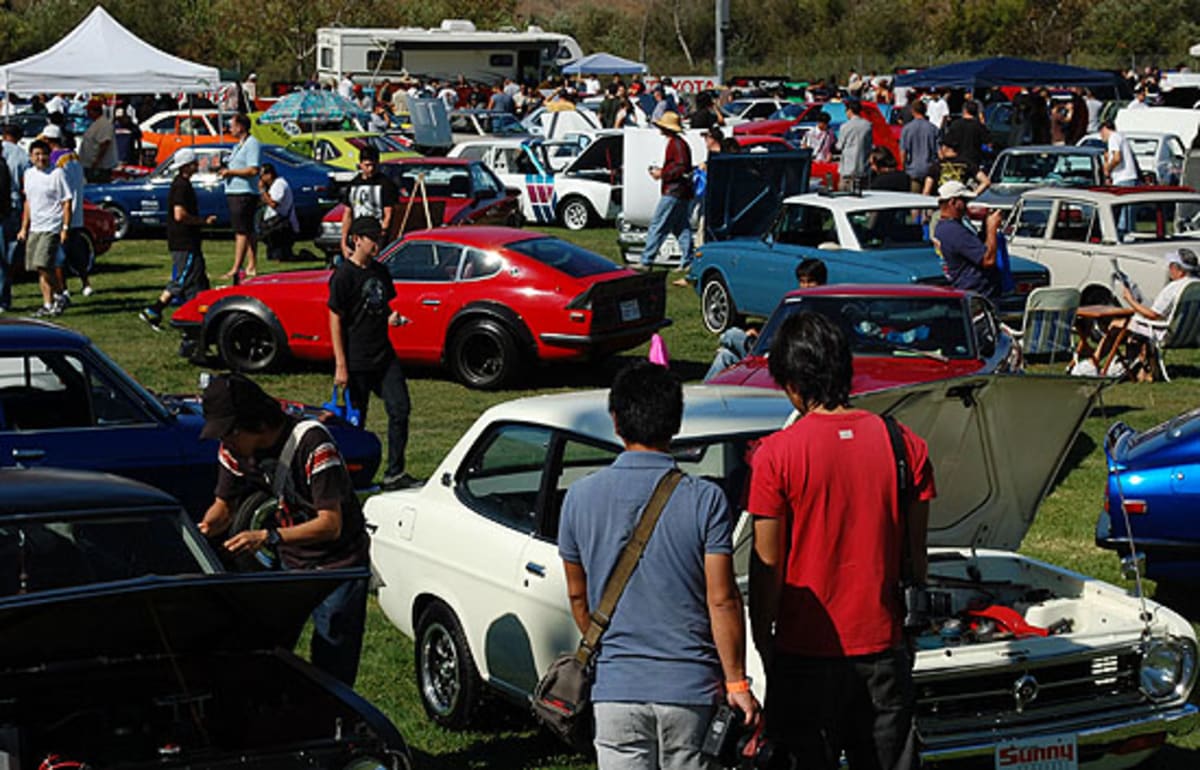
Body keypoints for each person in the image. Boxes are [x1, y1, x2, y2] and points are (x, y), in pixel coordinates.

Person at [747, 310, 934, 770]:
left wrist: (763, 639)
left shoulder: (775, 455)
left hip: (804, 651)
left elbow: (767, 566)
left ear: (792, 382)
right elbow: (916, 556)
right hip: (883, 647)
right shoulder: (905, 445)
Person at [559, 361, 759, 769]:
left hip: (616, 690)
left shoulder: (578, 498)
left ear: (616, 421)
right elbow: (721, 600)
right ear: (676, 423)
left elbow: (578, 596)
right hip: (691, 690)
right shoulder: (706, 499)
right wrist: (736, 681)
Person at [197, 373, 371, 686]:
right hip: (290, 561)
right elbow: (223, 508)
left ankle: (337, 725)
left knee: (333, 661)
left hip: (337, 565)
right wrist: (203, 529)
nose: (226, 442)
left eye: (230, 433)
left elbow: (330, 525)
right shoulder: (234, 450)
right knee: (270, 651)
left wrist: (268, 536)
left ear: (258, 424)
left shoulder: (313, 444)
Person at [328, 216, 419, 491]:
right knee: (356, 423)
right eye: (373, 238)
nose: (378, 243)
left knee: (400, 408)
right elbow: (335, 318)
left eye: (380, 238)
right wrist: (340, 364)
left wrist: (393, 317)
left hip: (383, 356)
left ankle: (395, 473)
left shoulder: (380, 271)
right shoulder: (343, 276)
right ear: (357, 239)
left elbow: (381, 306)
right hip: (356, 360)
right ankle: (348, 478)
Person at [139, 148, 217, 328]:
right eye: (194, 164)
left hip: (190, 241)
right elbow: (179, 215)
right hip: (184, 241)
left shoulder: (183, 184)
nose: (197, 166)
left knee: (198, 279)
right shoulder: (181, 186)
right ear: (186, 166)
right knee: (182, 279)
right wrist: (202, 221)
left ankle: (200, 314)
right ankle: (154, 310)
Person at [1122, 248, 1200, 381]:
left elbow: (1153, 315)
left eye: (1171, 266)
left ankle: (1100, 365)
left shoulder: (1174, 287)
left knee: (1118, 325)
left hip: (1166, 334)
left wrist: (1130, 300)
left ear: (1179, 270)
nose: (1169, 269)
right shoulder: (1196, 286)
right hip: (1189, 335)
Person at [16, 139, 71, 318]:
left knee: (44, 263)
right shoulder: (29, 174)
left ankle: (60, 295)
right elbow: (28, 203)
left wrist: (64, 227)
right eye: (36, 154)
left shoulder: (57, 174)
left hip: (51, 225)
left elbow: (66, 202)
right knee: (39, 268)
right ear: (31, 157)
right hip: (35, 227)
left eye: (43, 154)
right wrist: (24, 228)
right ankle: (48, 303)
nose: (40, 158)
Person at [42, 125, 92, 301]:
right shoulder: (73, 157)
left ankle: (63, 289)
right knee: (77, 253)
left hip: (62, 213)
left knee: (58, 256)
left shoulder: (55, 160)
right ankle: (86, 283)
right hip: (77, 212)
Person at [640, 112, 694, 272]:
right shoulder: (679, 143)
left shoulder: (676, 144)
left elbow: (681, 167)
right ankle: (688, 260)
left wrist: (662, 174)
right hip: (681, 192)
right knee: (681, 227)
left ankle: (646, 260)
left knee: (658, 224)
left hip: (673, 191)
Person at [933, 181, 1002, 300]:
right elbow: (988, 260)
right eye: (963, 201)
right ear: (953, 202)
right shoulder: (953, 230)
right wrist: (992, 228)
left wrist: (985, 227)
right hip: (977, 294)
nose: (966, 205)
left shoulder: (948, 227)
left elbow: (977, 249)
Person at [219, 113, 262, 279]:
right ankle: (251, 265)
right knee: (248, 230)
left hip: (244, 192)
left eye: (232, 125)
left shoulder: (252, 144)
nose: (230, 128)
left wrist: (231, 172)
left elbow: (253, 169)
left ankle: (236, 267)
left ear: (241, 127)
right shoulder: (238, 146)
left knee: (241, 231)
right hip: (234, 190)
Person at [339, 146, 399, 259]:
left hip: (377, 236)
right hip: (358, 236)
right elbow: (348, 214)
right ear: (360, 164)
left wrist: (381, 237)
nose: (370, 169)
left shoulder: (386, 185)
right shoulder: (353, 185)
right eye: (367, 165)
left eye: (373, 165)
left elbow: (388, 214)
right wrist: (343, 241)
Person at [1, 123, 28, 313]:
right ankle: (4, 296)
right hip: (14, 206)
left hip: (4, 207)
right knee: (8, 255)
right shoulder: (22, 155)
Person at [258, 162, 298, 262]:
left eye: (262, 176)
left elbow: (273, 204)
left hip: (282, 225)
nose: (261, 179)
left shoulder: (279, 184)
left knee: (280, 255)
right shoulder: (273, 186)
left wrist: (262, 190)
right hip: (275, 224)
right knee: (273, 255)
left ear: (269, 175)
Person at [900, 99, 939, 193]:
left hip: (913, 170)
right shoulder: (933, 129)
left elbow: (903, 152)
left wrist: (903, 167)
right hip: (929, 171)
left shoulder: (907, 129)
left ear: (912, 111)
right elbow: (938, 152)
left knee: (914, 201)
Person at [78, 99, 117, 184]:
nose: (87, 113)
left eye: (89, 110)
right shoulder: (96, 123)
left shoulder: (104, 124)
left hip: (99, 167)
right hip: (90, 165)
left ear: (95, 111)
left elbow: (105, 144)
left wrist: (96, 162)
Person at [837, 100, 873, 192]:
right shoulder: (868, 125)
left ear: (850, 110)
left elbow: (839, 146)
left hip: (847, 170)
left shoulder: (845, 126)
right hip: (863, 168)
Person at [1100, 119, 1138, 186]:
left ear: (1104, 129)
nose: (1101, 136)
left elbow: (1117, 158)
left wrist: (1108, 169)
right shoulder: (1119, 136)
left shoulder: (1113, 137)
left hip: (1123, 179)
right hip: (1126, 178)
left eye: (1101, 132)